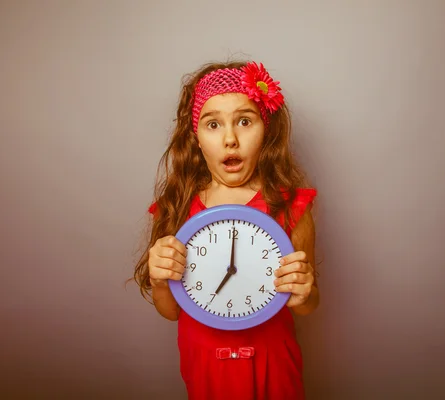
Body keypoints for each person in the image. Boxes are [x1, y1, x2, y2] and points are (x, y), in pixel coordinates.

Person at [133, 60, 320, 399]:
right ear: (197, 139)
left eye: (244, 121)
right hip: (206, 367)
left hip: (272, 365)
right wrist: (160, 278)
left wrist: (305, 290)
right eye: (213, 124)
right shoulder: (175, 207)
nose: (230, 139)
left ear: (266, 130)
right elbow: (171, 311)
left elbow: (306, 302)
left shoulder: (292, 208)